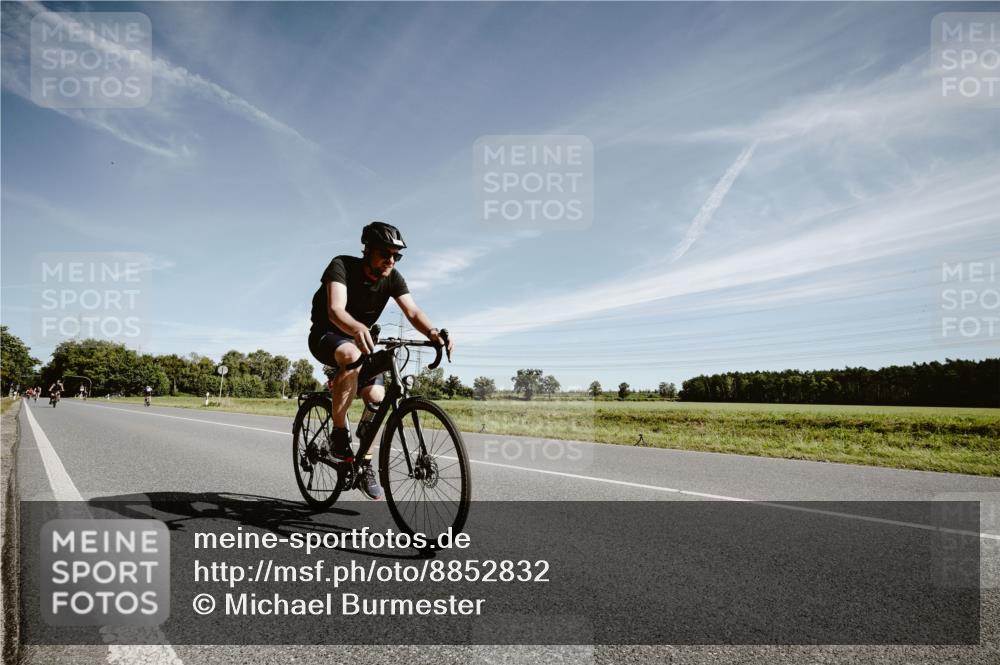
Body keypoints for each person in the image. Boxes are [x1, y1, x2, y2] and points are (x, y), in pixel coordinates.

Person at [308, 221, 454, 500]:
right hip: (327, 336)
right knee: (351, 354)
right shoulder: (341, 265)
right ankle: (339, 433)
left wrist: (433, 332)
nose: (391, 260)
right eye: (385, 254)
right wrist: (357, 328)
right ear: (367, 250)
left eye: (396, 256)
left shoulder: (393, 277)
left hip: (363, 342)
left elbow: (411, 312)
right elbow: (336, 309)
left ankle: (364, 462)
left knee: (377, 396)